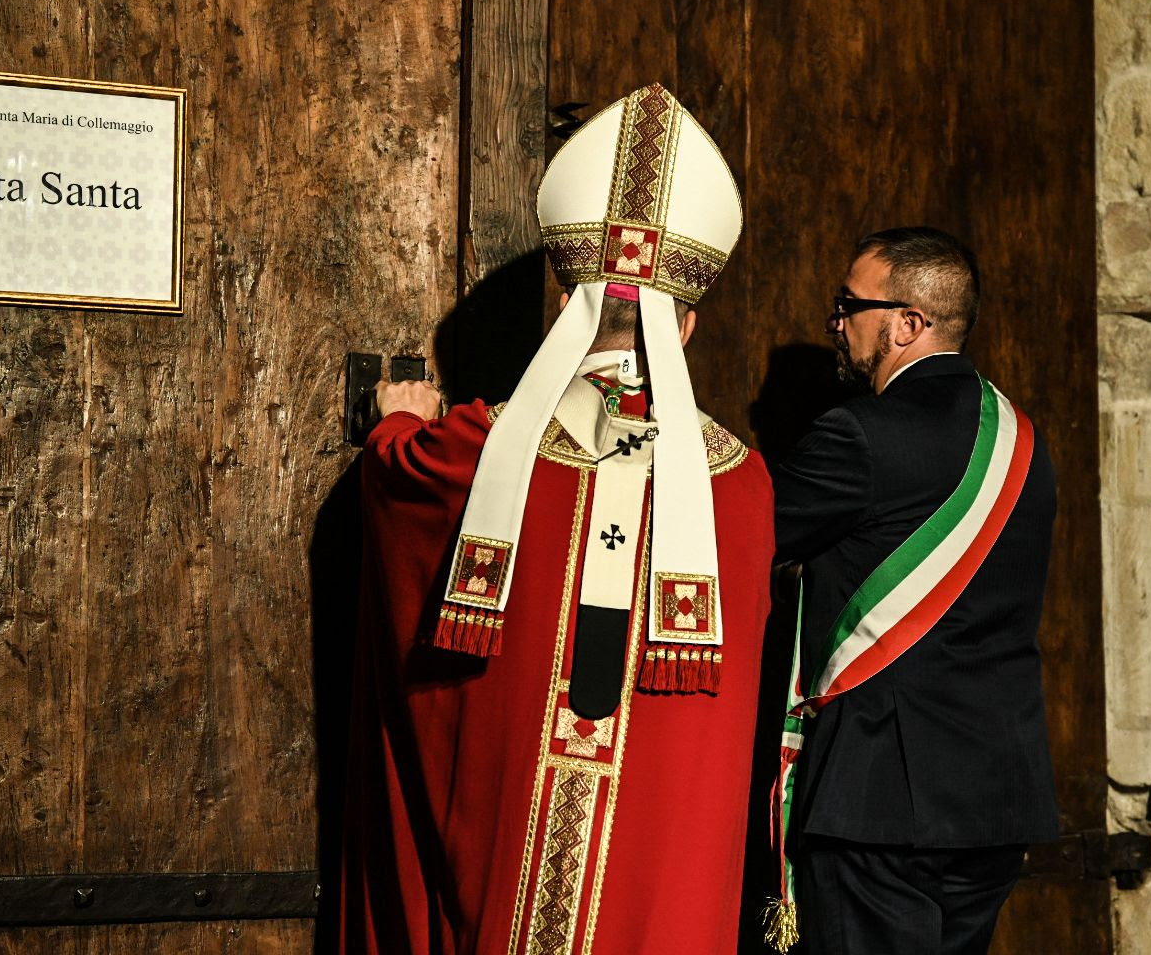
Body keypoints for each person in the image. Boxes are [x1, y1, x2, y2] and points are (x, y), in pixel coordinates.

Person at [341, 83, 774, 954]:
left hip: (508, 832)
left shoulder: (483, 444)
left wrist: (396, 418)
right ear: (685, 327)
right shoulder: (740, 480)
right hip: (660, 853)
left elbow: (399, 483)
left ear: (570, 310)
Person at [764, 227, 1059, 955]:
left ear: (906, 323)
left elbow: (746, 537)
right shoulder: (1024, 440)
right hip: (996, 798)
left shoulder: (862, 434)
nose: (837, 323)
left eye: (848, 304)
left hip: (882, 800)